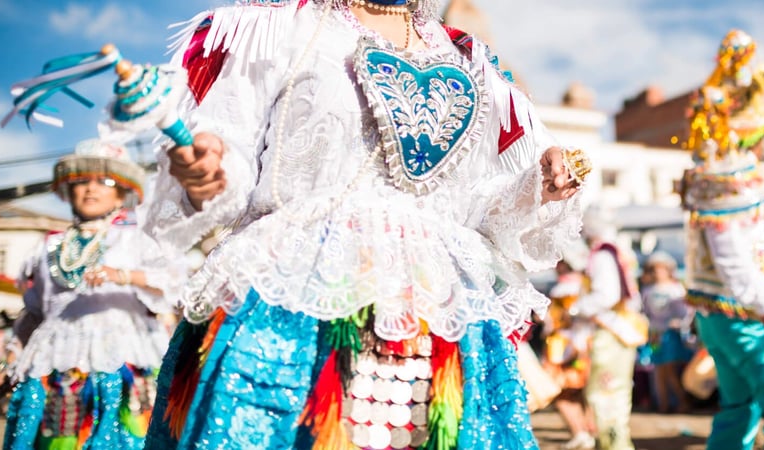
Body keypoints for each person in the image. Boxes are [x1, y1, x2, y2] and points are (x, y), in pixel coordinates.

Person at [135, 0, 585, 448]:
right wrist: (210, 166)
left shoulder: (468, 60)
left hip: (438, 314)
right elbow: (227, 148)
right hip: (292, 296)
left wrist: (537, 186)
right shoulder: (276, 27)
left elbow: (475, 208)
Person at [679, 30, 764, 450]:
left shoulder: (740, 179)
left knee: (739, 410)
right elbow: (730, 254)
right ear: (754, 135)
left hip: (729, 314)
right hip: (752, 317)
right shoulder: (732, 180)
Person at [0, 139, 176, 449]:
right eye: (81, 181)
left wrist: (123, 276)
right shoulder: (46, 248)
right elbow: (34, 313)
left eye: (105, 182)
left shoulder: (136, 240)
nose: (90, 190)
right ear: (69, 190)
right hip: (55, 367)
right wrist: (10, 361)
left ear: (122, 193)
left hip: (123, 360)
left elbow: (175, 285)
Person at [568, 216, 644, 450]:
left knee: (606, 393)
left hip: (611, 331)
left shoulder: (602, 255)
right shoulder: (618, 250)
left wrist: (576, 308)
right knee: (613, 392)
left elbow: (606, 295)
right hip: (619, 330)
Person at [544, 245, 597, 450]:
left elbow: (554, 322)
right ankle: (590, 430)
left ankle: (579, 432)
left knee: (561, 394)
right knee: (584, 393)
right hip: (587, 346)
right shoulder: (587, 286)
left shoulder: (562, 289)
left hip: (564, 349)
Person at [640, 251, 693, 414]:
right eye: (654, 269)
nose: (657, 272)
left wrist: (679, 325)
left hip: (670, 335)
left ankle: (681, 401)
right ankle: (663, 404)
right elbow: (645, 313)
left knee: (669, 370)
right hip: (655, 335)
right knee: (659, 370)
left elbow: (685, 312)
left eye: (660, 269)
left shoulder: (676, 289)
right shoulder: (648, 291)